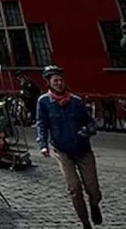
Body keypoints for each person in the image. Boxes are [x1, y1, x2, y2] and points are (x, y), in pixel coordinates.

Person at [37, 65, 103, 229]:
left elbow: (89, 122)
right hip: (62, 150)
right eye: (55, 81)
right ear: (49, 83)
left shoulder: (76, 102)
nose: (59, 83)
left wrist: (88, 130)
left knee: (92, 188)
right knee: (74, 188)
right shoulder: (44, 102)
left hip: (82, 149)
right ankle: (85, 222)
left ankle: (94, 205)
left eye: (61, 80)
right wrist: (43, 144)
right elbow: (42, 124)